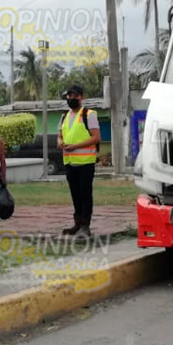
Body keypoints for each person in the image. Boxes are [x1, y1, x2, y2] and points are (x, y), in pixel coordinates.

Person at [58, 85, 101, 237]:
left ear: (81, 97)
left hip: (85, 163)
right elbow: (60, 134)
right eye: (68, 96)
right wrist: (59, 141)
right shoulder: (64, 116)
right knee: (75, 194)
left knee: (85, 194)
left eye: (74, 96)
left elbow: (96, 137)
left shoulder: (89, 115)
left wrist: (75, 146)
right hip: (69, 162)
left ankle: (85, 225)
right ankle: (77, 223)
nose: (71, 99)